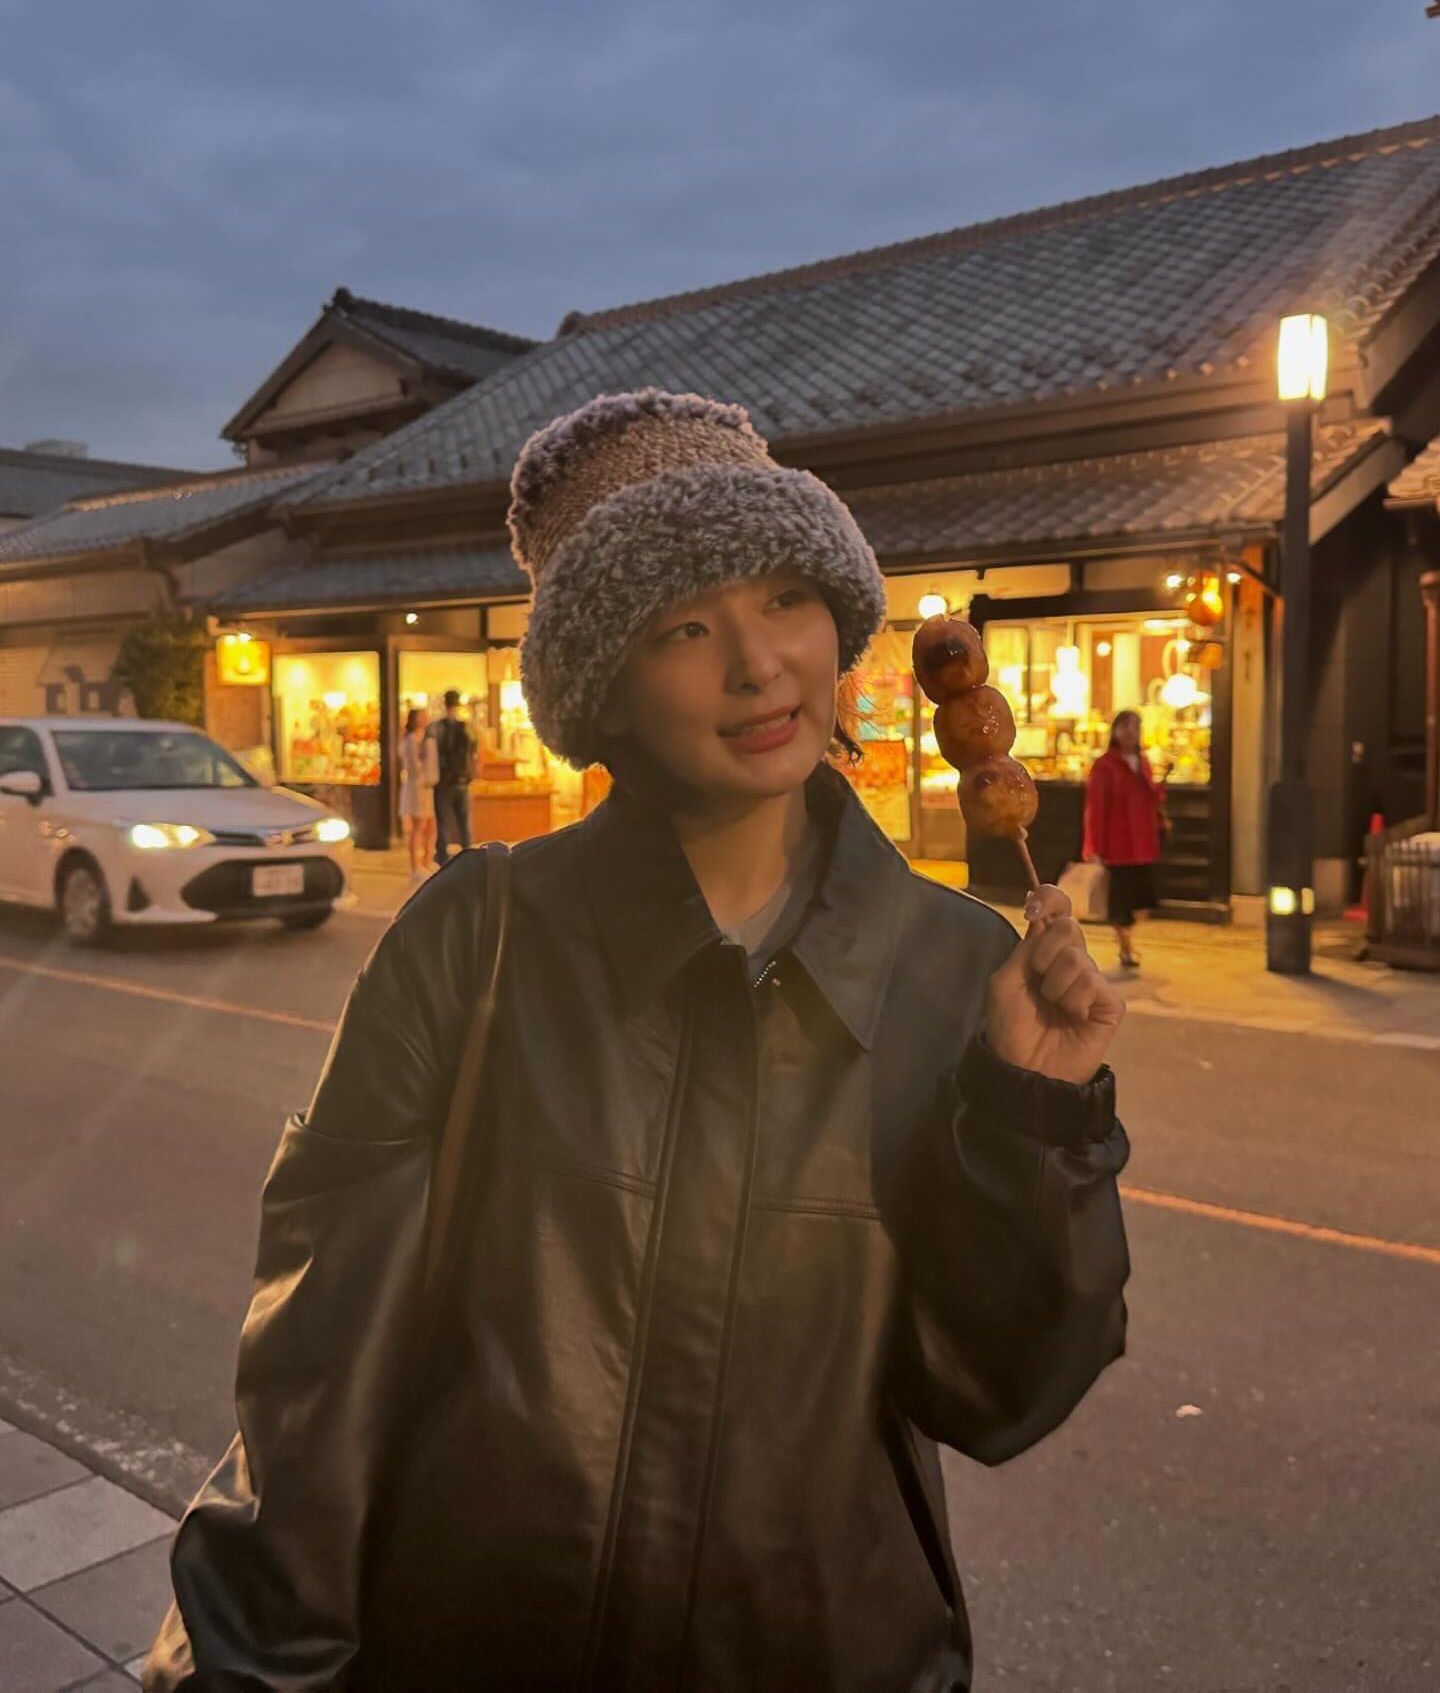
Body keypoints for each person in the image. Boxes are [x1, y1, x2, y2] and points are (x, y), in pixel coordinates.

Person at [145, 389, 1132, 1693]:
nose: (758, 664)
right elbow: (317, 1383)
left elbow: (997, 1394)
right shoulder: (476, 935)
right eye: (684, 625)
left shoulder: (955, 963)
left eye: (787, 597)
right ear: (602, 686)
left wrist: (1034, 1119)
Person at [1083, 708, 1170, 971]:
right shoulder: (1104, 766)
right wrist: (1094, 846)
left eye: (1135, 727)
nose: (1131, 733)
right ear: (1115, 732)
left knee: (1142, 900)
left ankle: (1126, 941)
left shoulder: (1143, 762)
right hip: (1118, 844)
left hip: (1142, 842)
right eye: (1125, 727)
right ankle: (1125, 946)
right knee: (1121, 902)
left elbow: (1150, 798)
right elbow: (1096, 808)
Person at [424, 687, 476, 865]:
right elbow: (474, 750)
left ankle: (443, 857)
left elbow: (428, 752)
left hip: (443, 781)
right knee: (464, 822)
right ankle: (468, 856)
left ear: (444, 704)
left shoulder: (436, 727)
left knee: (443, 822)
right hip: (462, 781)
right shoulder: (466, 727)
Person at [396, 706, 436, 882]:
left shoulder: (424, 738)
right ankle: (415, 866)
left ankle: (427, 860)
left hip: (425, 787)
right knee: (418, 826)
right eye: (422, 716)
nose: (426, 719)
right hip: (416, 787)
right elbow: (414, 766)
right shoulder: (411, 740)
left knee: (430, 824)